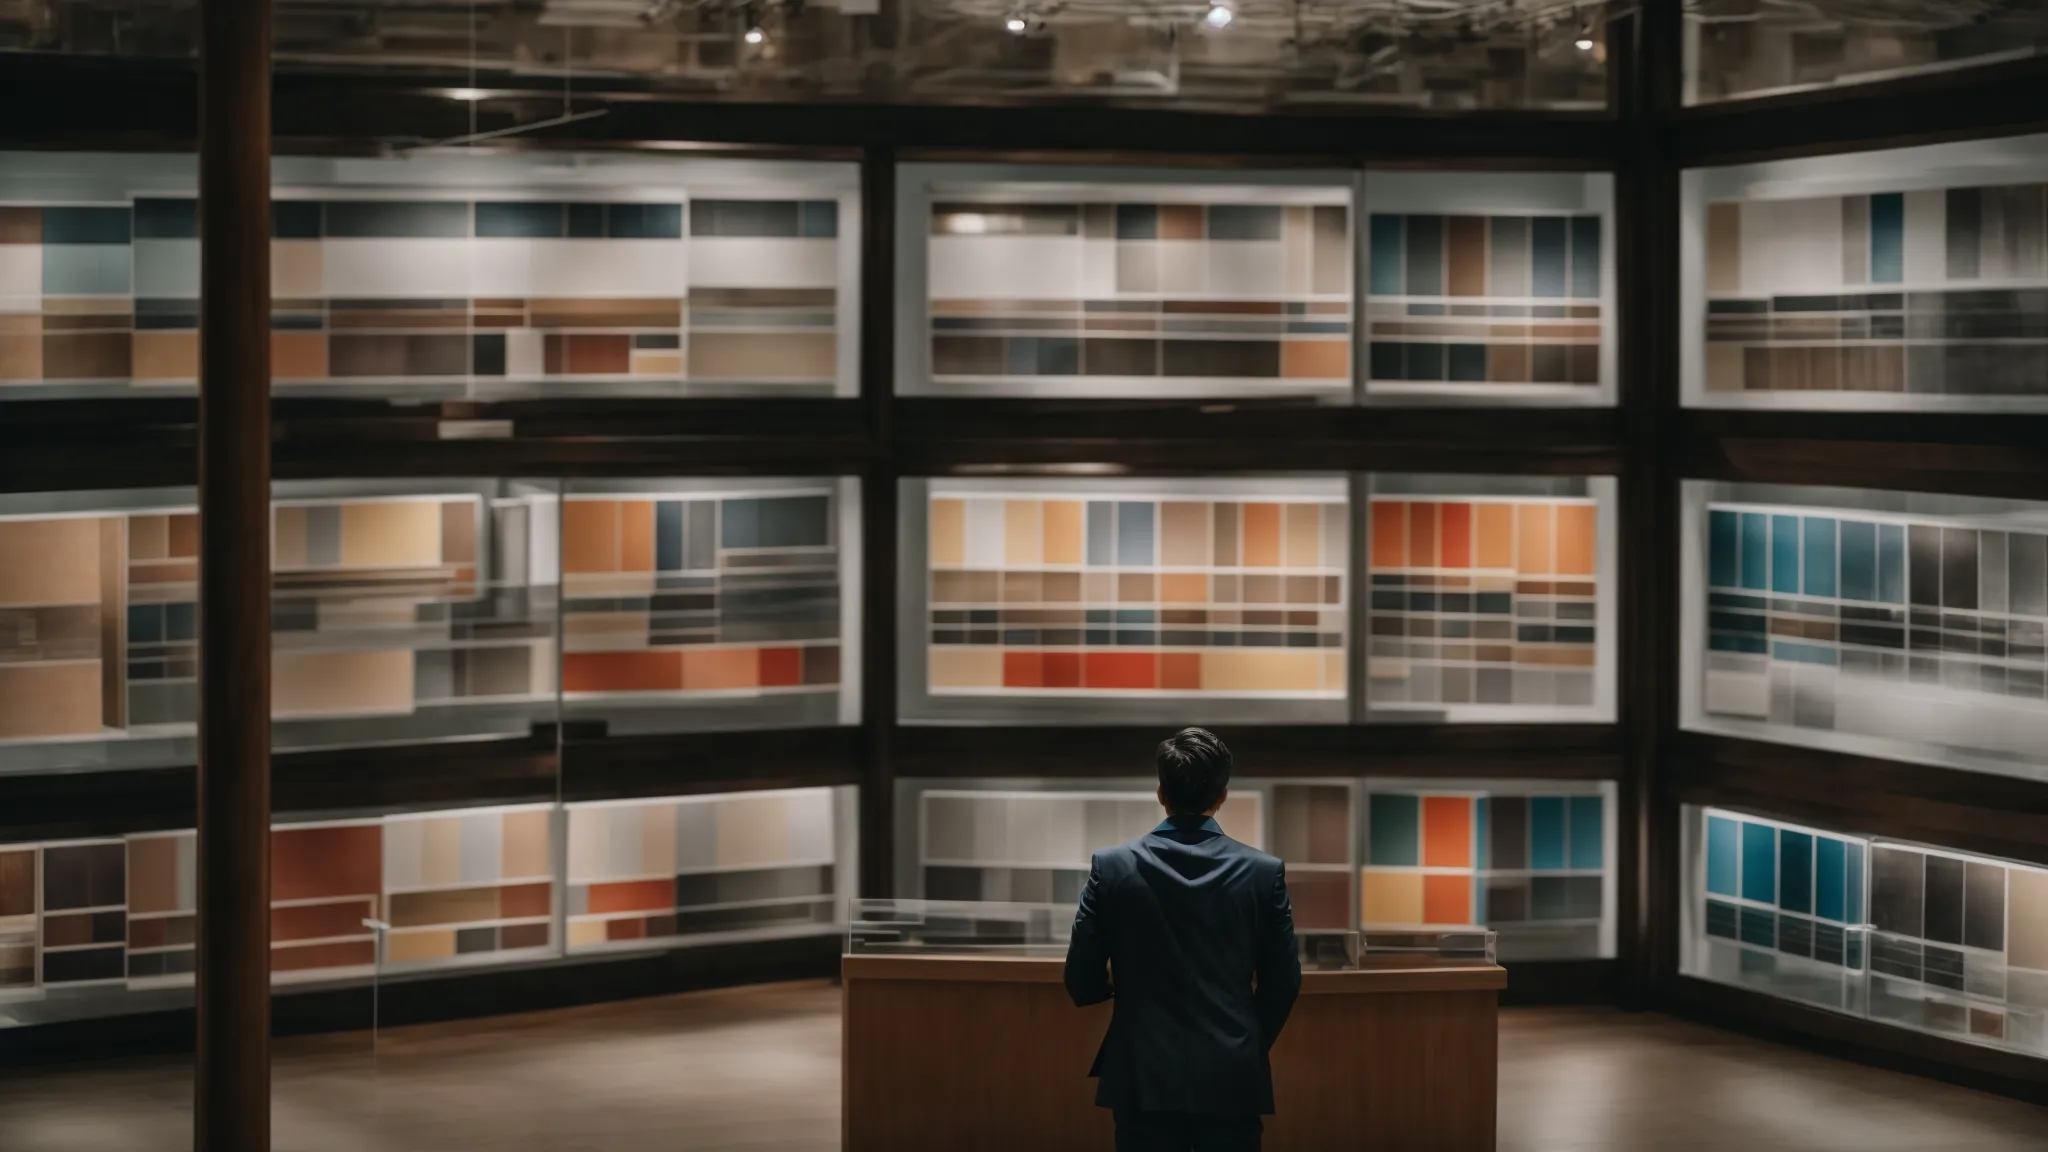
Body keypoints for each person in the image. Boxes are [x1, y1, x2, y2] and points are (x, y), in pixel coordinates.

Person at [1062, 727, 1302, 1152]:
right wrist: (1243, 1041)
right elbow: (1283, 981)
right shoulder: (1264, 873)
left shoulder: (1112, 867)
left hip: (1142, 1071)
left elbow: (1080, 978)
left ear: (1160, 792)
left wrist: (1114, 992)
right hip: (1231, 1074)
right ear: (1222, 795)